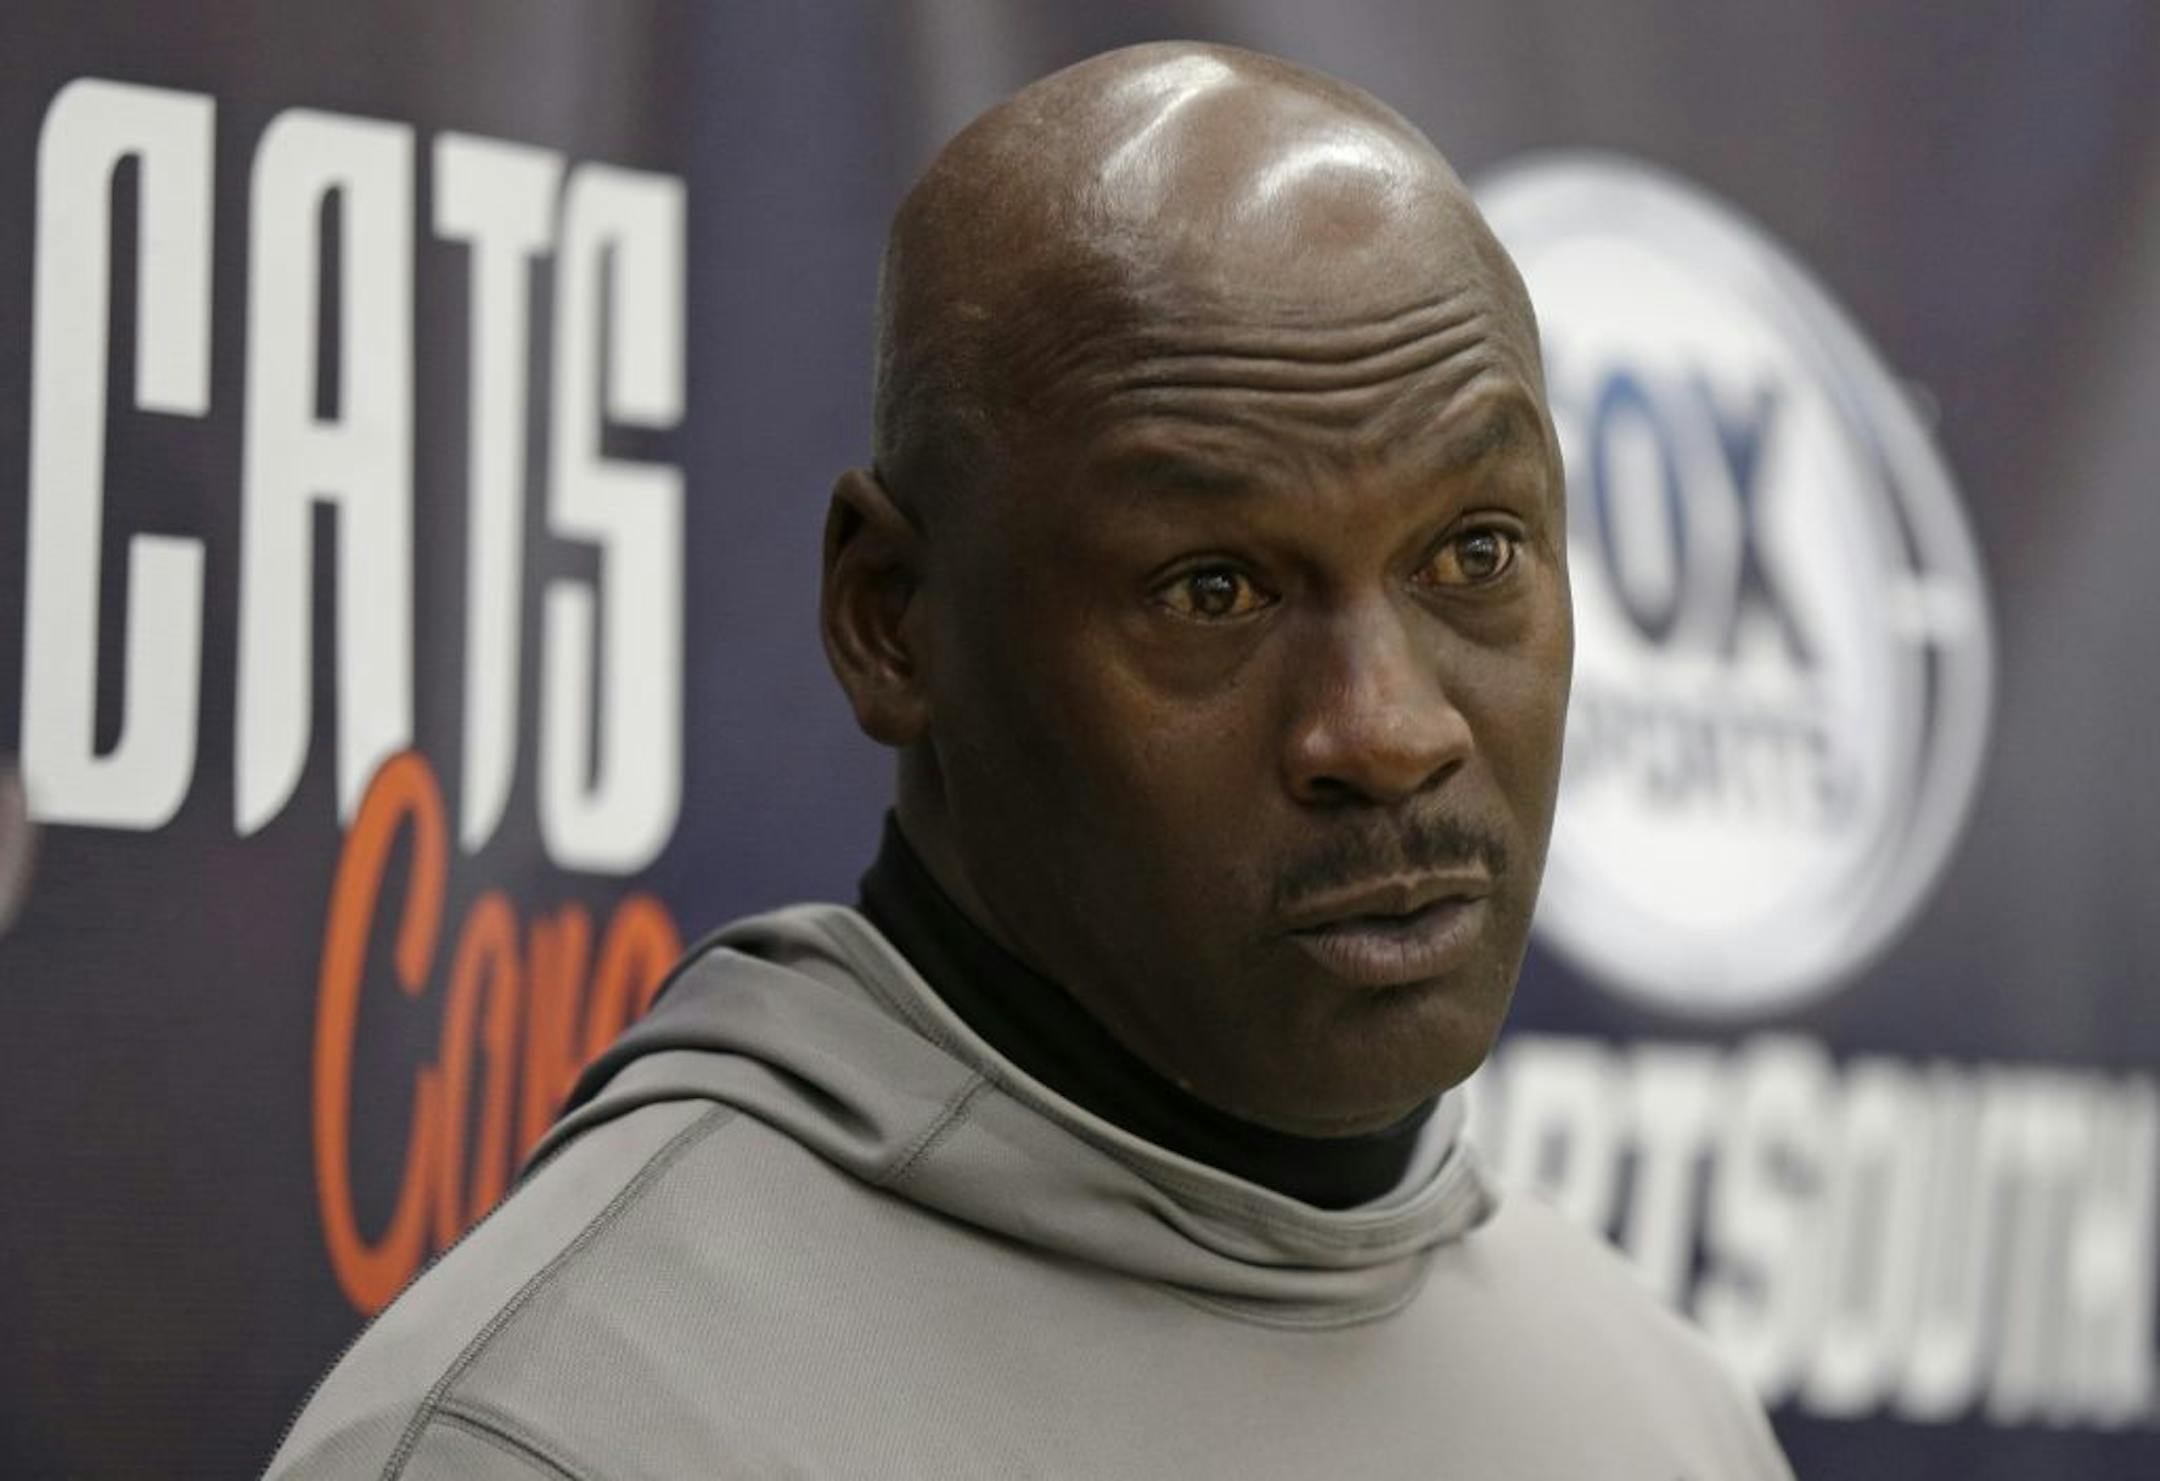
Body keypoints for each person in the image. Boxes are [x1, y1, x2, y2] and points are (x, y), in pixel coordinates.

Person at [267, 41, 1794, 1479]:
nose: (1387, 730)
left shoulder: (1661, 1413)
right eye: (1213, 589)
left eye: (1473, 549)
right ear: (891, 624)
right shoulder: (558, 1431)